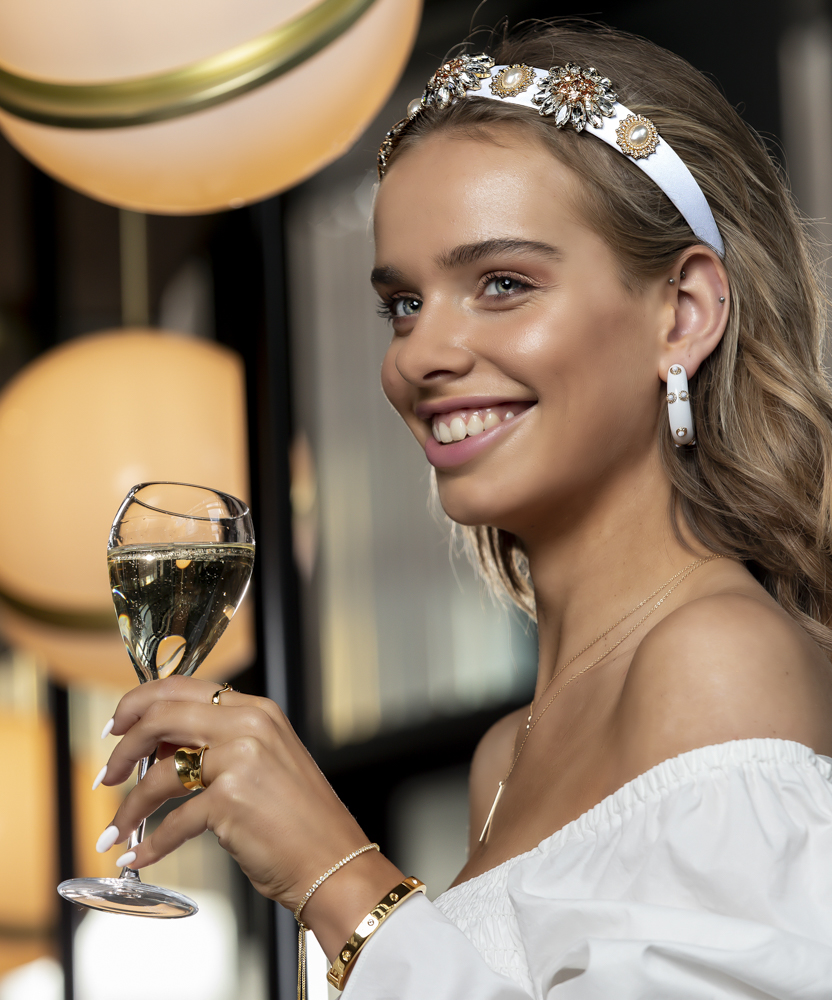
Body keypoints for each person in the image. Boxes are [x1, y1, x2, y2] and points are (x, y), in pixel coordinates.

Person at [91, 20, 832, 998]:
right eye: (403, 302)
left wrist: (337, 875)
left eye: (502, 284)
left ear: (682, 312)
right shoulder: (502, 757)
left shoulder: (714, 660)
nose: (419, 355)